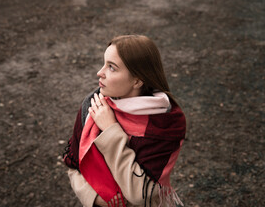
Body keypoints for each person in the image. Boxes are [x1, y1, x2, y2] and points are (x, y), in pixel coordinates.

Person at [63, 35, 186, 207]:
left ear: (137, 81)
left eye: (112, 68)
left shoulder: (164, 122)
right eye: (104, 63)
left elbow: (140, 194)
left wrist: (110, 130)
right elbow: (73, 165)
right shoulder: (93, 105)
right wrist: (96, 199)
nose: (100, 72)